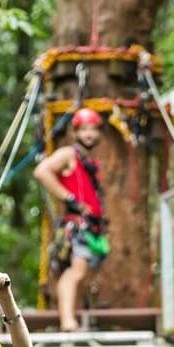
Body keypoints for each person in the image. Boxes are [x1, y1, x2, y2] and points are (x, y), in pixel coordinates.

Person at [33, 107, 108, 331]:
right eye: (84, 129)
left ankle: (71, 318)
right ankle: (67, 321)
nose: (89, 134)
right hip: (77, 224)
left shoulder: (89, 161)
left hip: (91, 227)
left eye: (93, 129)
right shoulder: (69, 154)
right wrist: (69, 198)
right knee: (76, 272)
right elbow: (42, 171)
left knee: (81, 274)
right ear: (75, 132)